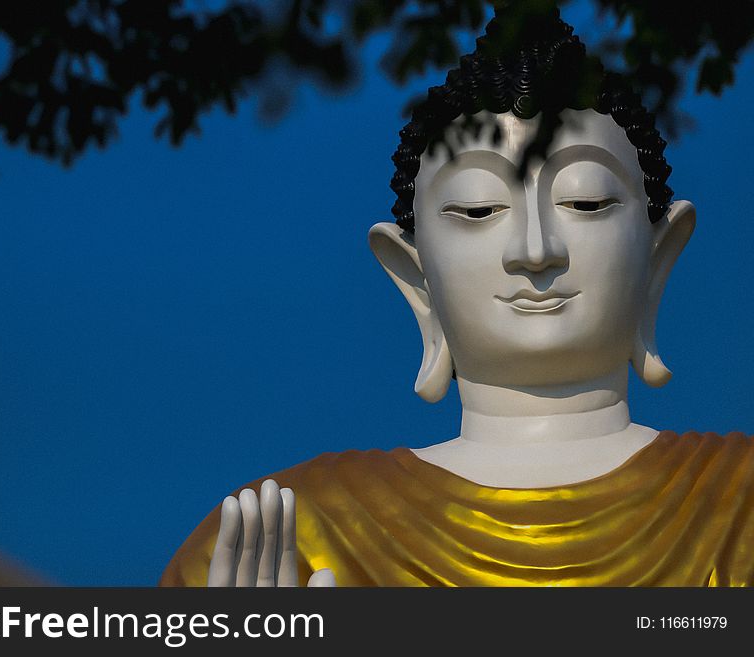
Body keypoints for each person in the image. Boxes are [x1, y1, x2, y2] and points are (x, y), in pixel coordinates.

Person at [160, 9, 754, 587]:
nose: (535, 249)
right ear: (414, 276)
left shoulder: (739, 505)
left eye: (586, 203)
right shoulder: (290, 534)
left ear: (659, 257)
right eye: (477, 209)